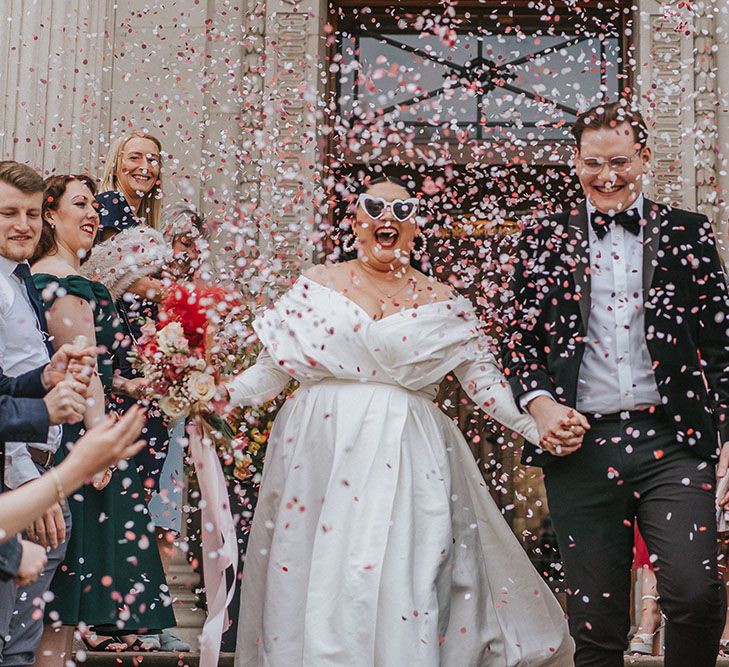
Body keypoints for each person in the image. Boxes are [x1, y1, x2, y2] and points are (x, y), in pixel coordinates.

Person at [221, 177, 582, 666]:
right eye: (374, 207)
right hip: (319, 454)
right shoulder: (317, 284)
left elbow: (484, 383)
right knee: (318, 572)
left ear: (416, 228)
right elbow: (269, 372)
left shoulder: (443, 299)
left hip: (407, 454)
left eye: (402, 209)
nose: (387, 216)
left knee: (404, 571)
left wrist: (538, 427)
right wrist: (213, 397)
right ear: (355, 222)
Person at [503, 100, 729, 667]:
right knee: (596, 623)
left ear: (645, 158)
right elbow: (516, 339)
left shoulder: (688, 232)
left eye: (621, 161)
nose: (607, 177)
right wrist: (540, 404)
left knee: (695, 594)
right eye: (592, 163)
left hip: (674, 444)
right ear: (574, 162)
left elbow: (723, 346)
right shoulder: (541, 239)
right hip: (582, 447)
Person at [30, 174, 176, 661]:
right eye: (80, 204)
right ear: (50, 214)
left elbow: (101, 373)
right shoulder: (59, 281)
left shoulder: (78, 280)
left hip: (89, 428)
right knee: (63, 599)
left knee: (70, 601)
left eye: (95, 205)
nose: (92, 213)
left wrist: (139, 384)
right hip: (78, 440)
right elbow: (82, 368)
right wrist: (99, 445)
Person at [0, 160, 80, 667]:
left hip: (33, 469)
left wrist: (43, 378)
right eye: (8, 212)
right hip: (17, 477)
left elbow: (6, 383)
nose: (23, 225)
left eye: (32, 213)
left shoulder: (17, 279)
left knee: (18, 643)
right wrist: (34, 487)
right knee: (12, 647)